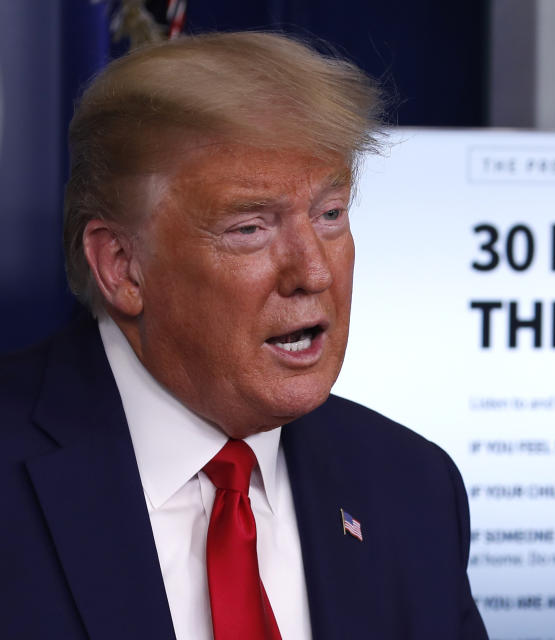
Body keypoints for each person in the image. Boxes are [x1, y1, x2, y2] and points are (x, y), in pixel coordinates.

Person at [0, 31, 488, 640]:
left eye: (330, 215)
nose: (312, 271)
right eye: (251, 228)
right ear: (123, 265)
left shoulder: (410, 487)